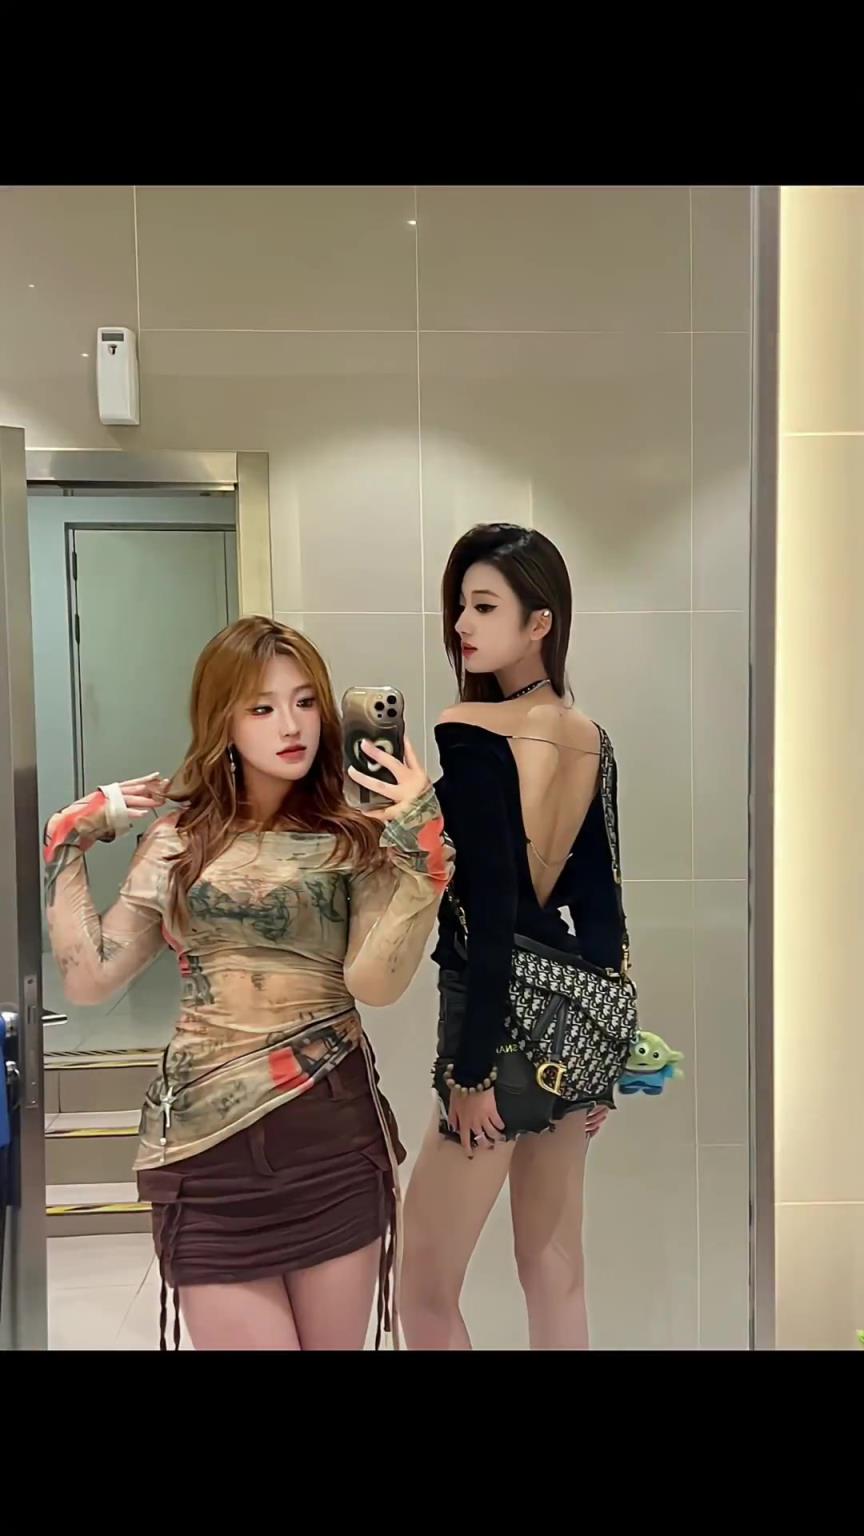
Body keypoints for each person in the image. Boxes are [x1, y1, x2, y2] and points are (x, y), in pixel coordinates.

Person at [43, 616, 450, 1352]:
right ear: (223, 723)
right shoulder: (178, 841)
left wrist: (423, 860)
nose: (291, 726)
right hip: (207, 1148)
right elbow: (91, 978)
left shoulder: (355, 837)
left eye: (305, 702)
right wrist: (66, 840)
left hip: (331, 1135)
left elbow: (375, 982)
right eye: (262, 708)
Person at [401, 523, 630, 1352]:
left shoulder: (469, 728)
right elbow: (601, 906)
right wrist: (605, 1060)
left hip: (491, 1027)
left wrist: (470, 1071)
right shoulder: (590, 738)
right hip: (571, 1025)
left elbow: (493, 908)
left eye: (485, 606)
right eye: (461, 606)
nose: (463, 623)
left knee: (423, 1289)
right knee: (555, 1267)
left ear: (541, 622)